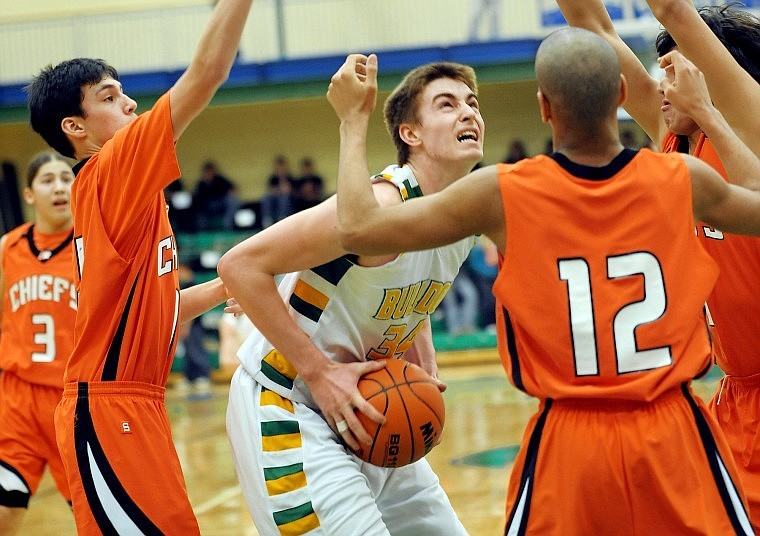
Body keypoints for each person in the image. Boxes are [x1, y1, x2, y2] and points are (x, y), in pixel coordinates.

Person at [329, 29, 760, 534]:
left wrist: (353, 121)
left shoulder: (501, 193)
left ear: (543, 107)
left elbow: (356, 226)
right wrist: (708, 112)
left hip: (569, 435)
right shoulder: (681, 177)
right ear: (622, 95)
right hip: (674, 426)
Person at [217, 59, 485, 534]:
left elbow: (408, 289)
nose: (468, 113)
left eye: (472, 103)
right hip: (292, 402)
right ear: (412, 134)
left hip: (369, 405)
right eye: (447, 105)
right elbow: (239, 266)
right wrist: (319, 373)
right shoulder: (382, 204)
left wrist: (424, 360)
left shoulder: (460, 215)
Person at [25, 0, 256, 533]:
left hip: (133, 403)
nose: (130, 104)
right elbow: (208, 73)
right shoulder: (112, 167)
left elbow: (160, 308)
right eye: (109, 97)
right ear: (75, 128)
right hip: (107, 408)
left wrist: (227, 286)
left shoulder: (126, 192)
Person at [557, 0, 760, 528]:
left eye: (674, 70)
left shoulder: (752, 128)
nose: (659, 86)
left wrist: (710, 103)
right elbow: (593, 23)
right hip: (735, 394)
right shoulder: (675, 145)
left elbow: (673, 9)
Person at [0, 152, 75, 535]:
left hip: (73, 403)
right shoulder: (7, 249)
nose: (60, 186)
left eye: (66, 177)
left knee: (91, 516)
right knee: (4, 508)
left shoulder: (90, 250)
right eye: (48, 180)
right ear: (29, 194)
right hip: (17, 399)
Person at [193, 160, 240, 230]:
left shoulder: (220, 180)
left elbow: (234, 190)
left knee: (232, 200)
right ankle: (202, 230)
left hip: (221, 204)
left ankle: (228, 226)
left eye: (211, 172)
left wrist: (229, 193)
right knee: (198, 208)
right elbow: (198, 198)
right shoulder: (201, 184)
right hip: (207, 207)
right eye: (208, 172)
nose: (210, 174)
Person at [260, 154, 297, 228]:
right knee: (265, 198)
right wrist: (279, 190)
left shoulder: (290, 177)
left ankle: (282, 219)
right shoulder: (273, 178)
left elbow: (290, 191)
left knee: (283, 198)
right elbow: (270, 191)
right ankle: (267, 220)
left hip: (287, 200)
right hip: (274, 199)